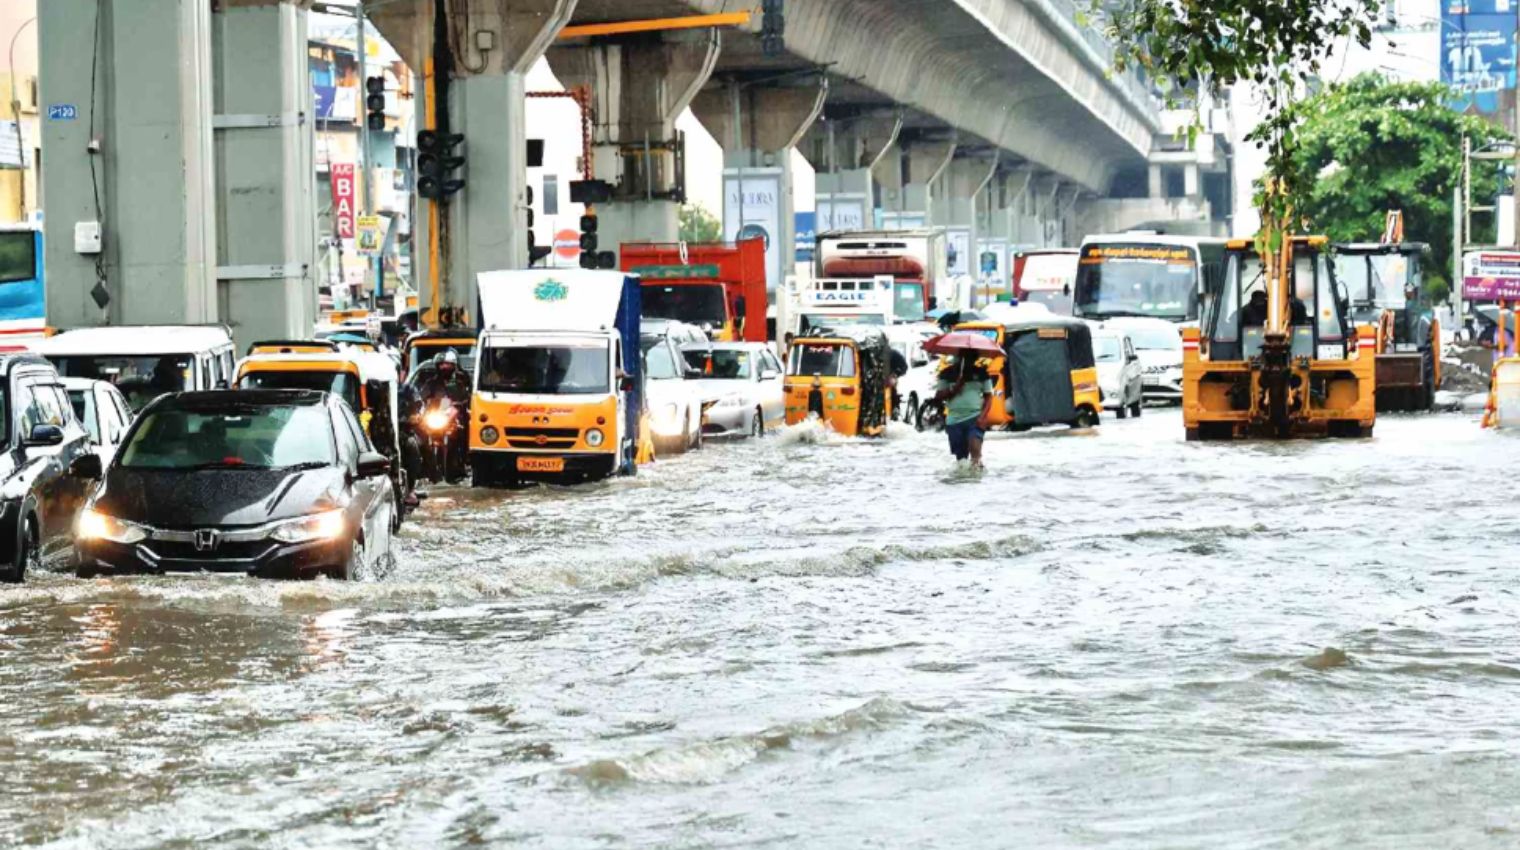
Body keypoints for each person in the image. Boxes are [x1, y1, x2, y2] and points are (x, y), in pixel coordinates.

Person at [933, 355, 993, 468]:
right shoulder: (946, 373)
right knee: (961, 460)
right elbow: (938, 396)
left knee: (975, 453)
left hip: (975, 418)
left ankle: (977, 478)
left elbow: (989, 396)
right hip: (954, 420)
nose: (965, 359)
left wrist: (983, 416)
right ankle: (963, 482)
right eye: (962, 355)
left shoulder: (982, 373)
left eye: (970, 355)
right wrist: (954, 388)